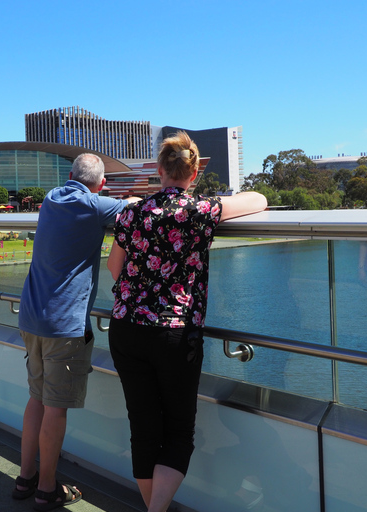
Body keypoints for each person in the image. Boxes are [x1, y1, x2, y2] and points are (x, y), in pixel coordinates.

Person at [106, 131, 267, 512]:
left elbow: (115, 268)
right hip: (175, 334)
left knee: (143, 429)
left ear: (159, 170)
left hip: (126, 327)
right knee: (178, 432)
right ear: (193, 174)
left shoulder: (132, 212)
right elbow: (258, 199)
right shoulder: (200, 210)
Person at [14, 153, 140, 511]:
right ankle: (48, 488)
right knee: (55, 407)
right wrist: (123, 199)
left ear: (69, 175)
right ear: (102, 185)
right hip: (63, 325)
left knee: (36, 398)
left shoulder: (52, 198)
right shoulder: (95, 205)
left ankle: (25, 479)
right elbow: (135, 212)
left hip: (31, 318)